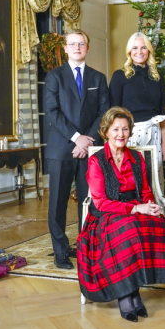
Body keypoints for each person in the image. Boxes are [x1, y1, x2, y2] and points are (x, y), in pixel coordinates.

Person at [77, 107, 165, 321]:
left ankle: (131, 291)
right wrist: (136, 209)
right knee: (127, 231)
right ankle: (128, 296)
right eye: (116, 129)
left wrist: (150, 205)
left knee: (164, 229)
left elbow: (146, 190)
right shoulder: (96, 161)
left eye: (125, 129)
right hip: (105, 214)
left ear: (130, 132)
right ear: (106, 132)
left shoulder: (137, 158)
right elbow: (100, 202)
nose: (121, 134)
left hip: (135, 207)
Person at [44, 29, 109, 270]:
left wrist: (88, 139)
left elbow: (104, 112)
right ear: (66, 48)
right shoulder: (54, 77)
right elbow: (52, 113)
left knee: (89, 201)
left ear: (87, 48)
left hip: (90, 149)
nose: (77, 47)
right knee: (58, 203)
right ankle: (60, 251)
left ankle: (85, 246)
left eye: (81, 43)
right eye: (72, 44)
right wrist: (76, 138)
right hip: (62, 148)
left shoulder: (98, 78)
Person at [109, 32, 165, 185]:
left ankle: (154, 208)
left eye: (143, 48)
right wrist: (115, 143)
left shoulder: (157, 76)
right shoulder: (119, 76)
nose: (139, 52)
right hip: (129, 134)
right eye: (135, 48)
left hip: (154, 135)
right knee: (131, 179)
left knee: (153, 179)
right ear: (129, 51)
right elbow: (113, 114)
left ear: (149, 50)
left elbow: (162, 114)